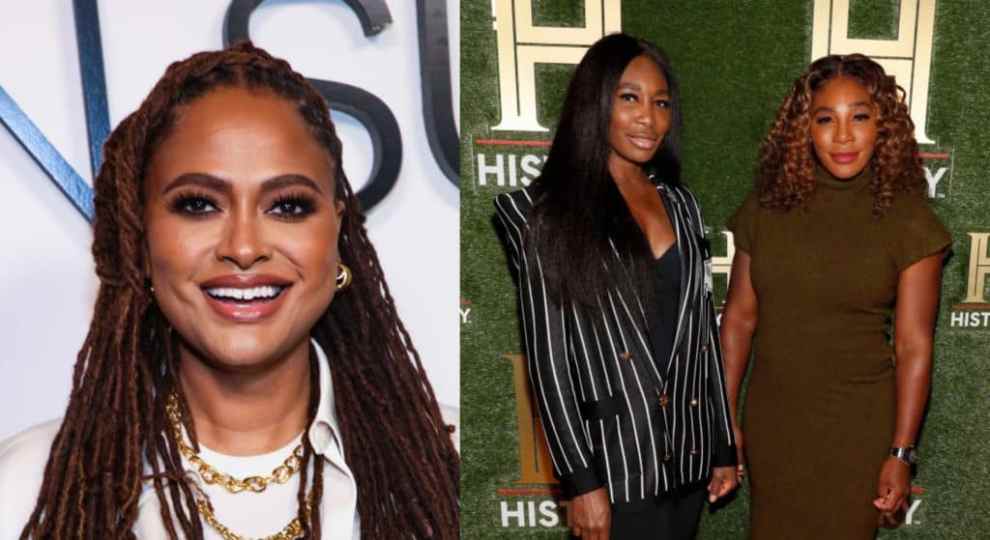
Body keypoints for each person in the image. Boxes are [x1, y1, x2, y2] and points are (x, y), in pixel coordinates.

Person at [0, 42, 458, 539]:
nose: (243, 247)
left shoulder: (459, 470)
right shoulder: (26, 489)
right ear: (141, 242)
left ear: (337, 233)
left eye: (287, 206)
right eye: (198, 205)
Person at [494, 33, 737, 540]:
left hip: (688, 453)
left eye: (661, 103)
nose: (648, 118)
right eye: (630, 98)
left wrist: (721, 445)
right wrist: (581, 482)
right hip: (614, 463)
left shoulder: (682, 204)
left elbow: (702, 334)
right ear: (596, 102)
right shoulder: (545, 215)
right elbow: (549, 361)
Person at [719, 54, 950, 539]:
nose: (843, 136)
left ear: (882, 125)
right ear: (804, 128)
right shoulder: (766, 208)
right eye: (826, 119)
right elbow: (738, 318)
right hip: (774, 422)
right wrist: (724, 419)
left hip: (858, 429)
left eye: (859, 117)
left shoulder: (909, 221)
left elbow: (913, 346)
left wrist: (900, 451)